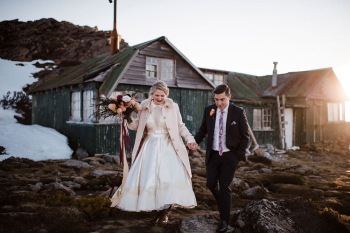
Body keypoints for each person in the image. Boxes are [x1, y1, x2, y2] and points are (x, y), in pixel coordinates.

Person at [110, 80, 198, 224]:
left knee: (167, 177)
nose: (159, 98)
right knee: (150, 177)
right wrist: (127, 116)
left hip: (168, 146)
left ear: (166, 95)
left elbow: (180, 126)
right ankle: (156, 211)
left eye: (162, 95)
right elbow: (136, 126)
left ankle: (165, 212)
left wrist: (189, 138)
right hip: (149, 146)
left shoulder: (173, 107)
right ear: (152, 94)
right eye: (156, 95)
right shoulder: (144, 106)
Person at [193, 84, 250, 233]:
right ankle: (224, 203)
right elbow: (203, 129)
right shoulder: (209, 110)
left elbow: (245, 136)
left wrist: (238, 155)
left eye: (222, 99)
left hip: (230, 156)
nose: (219, 103)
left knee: (224, 187)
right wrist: (194, 142)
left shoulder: (238, 112)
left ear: (229, 97)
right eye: (216, 99)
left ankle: (224, 220)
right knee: (211, 184)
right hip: (213, 154)